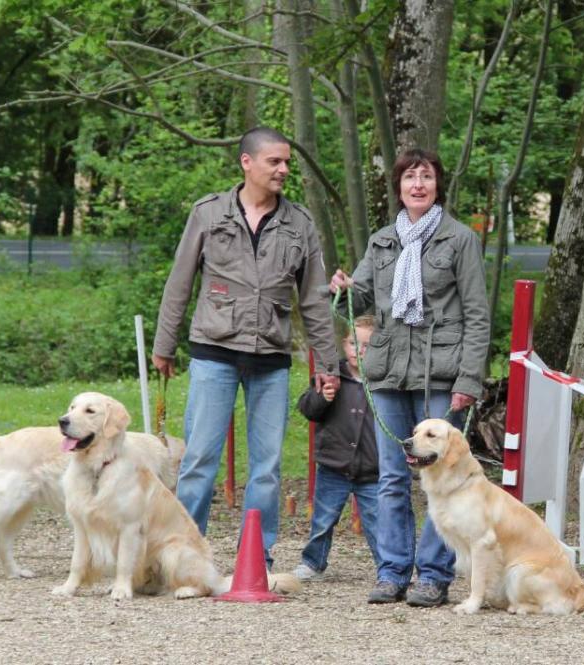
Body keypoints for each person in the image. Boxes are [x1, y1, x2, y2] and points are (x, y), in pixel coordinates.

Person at [152, 126, 341, 570]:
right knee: (199, 459)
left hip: (270, 358)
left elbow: (313, 298)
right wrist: (165, 344)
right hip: (213, 351)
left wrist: (327, 361)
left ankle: (257, 557)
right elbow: (179, 282)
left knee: (267, 466)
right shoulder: (208, 213)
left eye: (287, 162)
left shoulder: (300, 224)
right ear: (247, 162)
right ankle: (182, 554)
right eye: (275, 161)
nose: (283, 169)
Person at [329, 147, 490, 607]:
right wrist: (343, 287)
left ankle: (434, 576)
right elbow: (361, 304)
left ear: (438, 185)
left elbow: (478, 316)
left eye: (426, 177)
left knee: (446, 473)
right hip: (387, 371)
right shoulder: (382, 241)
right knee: (392, 478)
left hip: (442, 373)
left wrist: (468, 380)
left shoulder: (459, 239)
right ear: (398, 188)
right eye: (409, 178)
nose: (418, 185)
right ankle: (392, 571)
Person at [292, 315, 381, 581]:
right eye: (355, 344)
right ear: (345, 345)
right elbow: (308, 410)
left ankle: (387, 566)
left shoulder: (381, 382)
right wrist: (321, 398)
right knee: (323, 519)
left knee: (378, 522)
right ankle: (313, 562)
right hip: (333, 464)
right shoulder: (331, 376)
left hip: (371, 467)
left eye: (367, 346)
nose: (360, 351)